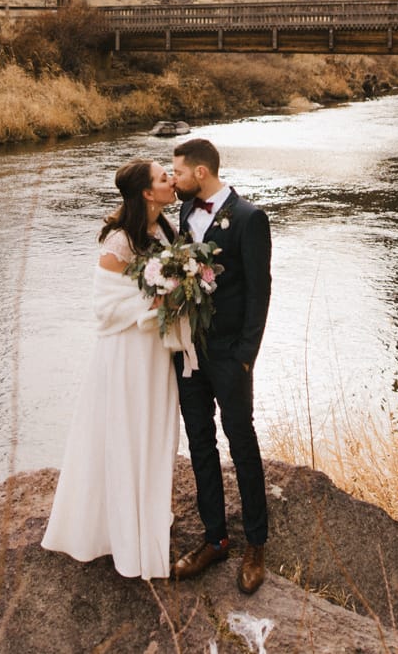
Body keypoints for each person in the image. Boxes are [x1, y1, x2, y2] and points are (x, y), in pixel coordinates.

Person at [40, 159, 182, 578]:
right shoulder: (119, 242)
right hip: (126, 354)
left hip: (156, 352)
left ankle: (148, 514)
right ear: (145, 193)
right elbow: (103, 308)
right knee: (124, 432)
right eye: (162, 178)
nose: (171, 182)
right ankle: (114, 529)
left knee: (154, 431)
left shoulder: (166, 231)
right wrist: (155, 303)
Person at [167, 137, 272, 595]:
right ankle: (215, 538)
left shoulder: (249, 218)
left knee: (242, 444)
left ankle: (255, 543)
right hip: (189, 355)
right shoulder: (186, 214)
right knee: (199, 444)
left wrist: (246, 356)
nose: (175, 181)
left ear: (202, 174)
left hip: (231, 357)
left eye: (180, 173)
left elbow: (259, 291)